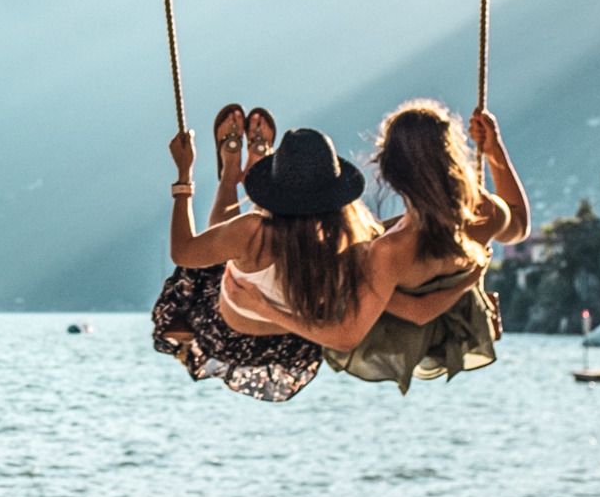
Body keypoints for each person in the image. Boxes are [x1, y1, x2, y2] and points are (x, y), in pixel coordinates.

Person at [150, 114, 482, 402]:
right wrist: (469, 278)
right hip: (296, 344)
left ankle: (231, 173)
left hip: (233, 333)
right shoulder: (354, 243)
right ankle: (247, 164)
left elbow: (183, 252)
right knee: (231, 249)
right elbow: (416, 311)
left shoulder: (252, 231)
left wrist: (183, 177)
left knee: (215, 260)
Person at [320, 100, 530, 391]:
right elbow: (518, 226)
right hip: (454, 334)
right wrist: (495, 151)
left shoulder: (390, 250)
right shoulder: (482, 215)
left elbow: (417, 313)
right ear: (453, 158)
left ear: (390, 171)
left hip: (395, 342)